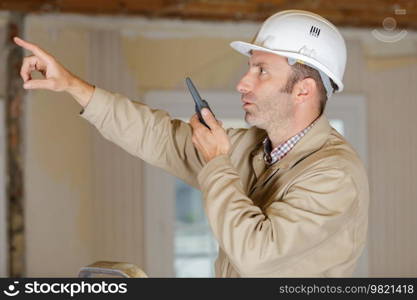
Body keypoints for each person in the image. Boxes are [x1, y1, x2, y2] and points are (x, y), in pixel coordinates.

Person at [15, 9, 369, 277]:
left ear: (303, 90)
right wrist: (73, 85)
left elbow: (256, 254)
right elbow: (158, 136)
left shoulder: (334, 175)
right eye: (250, 67)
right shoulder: (252, 149)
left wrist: (217, 163)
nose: (243, 83)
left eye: (261, 70)